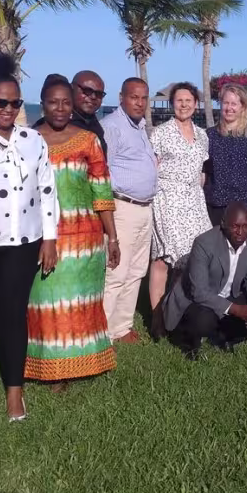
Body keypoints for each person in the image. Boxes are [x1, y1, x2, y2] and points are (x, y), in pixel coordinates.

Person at [0, 53, 59, 421]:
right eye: (1, 102)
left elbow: (47, 189)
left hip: (24, 242)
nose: (8, 109)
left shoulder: (33, 140)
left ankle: (14, 393)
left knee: (12, 316)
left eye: (16, 103)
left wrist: (49, 238)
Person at [25, 74, 120, 387]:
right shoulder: (27, 141)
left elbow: (101, 190)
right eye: (53, 102)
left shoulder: (88, 140)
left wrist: (113, 237)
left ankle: (85, 363)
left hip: (84, 240)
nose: (60, 109)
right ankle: (49, 366)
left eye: (66, 102)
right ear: (42, 104)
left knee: (81, 303)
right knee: (48, 302)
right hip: (43, 238)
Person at [161, 202, 247, 359]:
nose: (240, 232)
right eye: (235, 226)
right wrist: (238, 310)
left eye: (246, 226)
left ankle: (221, 336)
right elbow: (199, 293)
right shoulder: (204, 243)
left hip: (229, 296)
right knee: (204, 320)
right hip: (195, 302)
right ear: (223, 223)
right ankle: (188, 340)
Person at [147, 82, 211, 339]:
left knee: (189, 259)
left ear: (196, 104)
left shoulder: (202, 135)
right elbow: (152, 168)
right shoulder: (161, 133)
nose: (184, 104)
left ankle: (177, 312)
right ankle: (157, 319)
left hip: (194, 200)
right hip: (167, 198)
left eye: (188, 100)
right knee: (164, 258)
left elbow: (201, 171)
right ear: (173, 104)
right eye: (179, 100)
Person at [101, 77, 158, 344]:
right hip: (122, 207)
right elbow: (103, 171)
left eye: (144, 98)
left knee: (136, 271)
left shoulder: (139, 126)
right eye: (134, 97)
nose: (139, 102)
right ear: (121, 97)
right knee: (116, 273)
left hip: (144, 208)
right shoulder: (112, 126)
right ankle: (102, 334)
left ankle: (122, 327)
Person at [204, 84, 247, 227]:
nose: (229, 108)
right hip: (213, 206)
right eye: (226, 103)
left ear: (242, 107)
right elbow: (203, 173)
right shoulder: (208, 136)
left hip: (244, 207)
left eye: (234, 104)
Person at [33, 70, 108, 156]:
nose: (93, 97)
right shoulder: (54, 123)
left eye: (99, 94)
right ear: (72, 89)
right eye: (87, 91)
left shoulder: (94, 124)